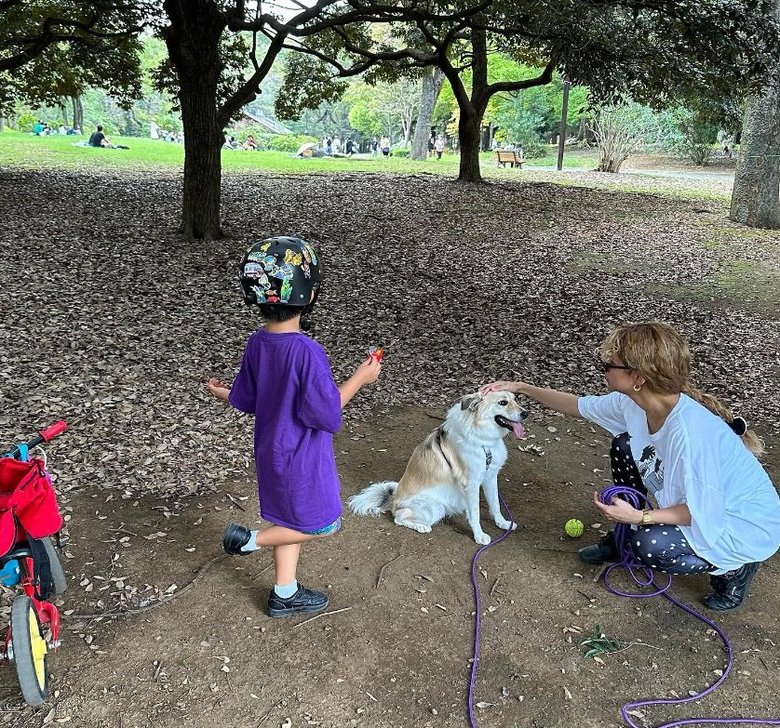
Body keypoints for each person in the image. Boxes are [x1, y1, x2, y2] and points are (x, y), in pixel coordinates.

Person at [482, 321, 780, 612]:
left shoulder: (690, 436)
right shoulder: (635, 402)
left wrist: (640, 515)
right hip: (700, 503)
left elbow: (701, 511)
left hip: (742, 524)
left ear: (638, 377)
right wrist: (521, 387)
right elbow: (578, 406)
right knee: (625, 445)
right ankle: (623, 537)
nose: (604, 370)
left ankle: (735, 569)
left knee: (651, 545)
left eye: (609, 365)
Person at [206, 236, 382, 618]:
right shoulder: (307, 352)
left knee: (287, 518)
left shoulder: (258, 342)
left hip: (271, 450)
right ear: (312, 293)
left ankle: (284, 594)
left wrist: (222, 393)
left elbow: (247, 398)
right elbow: (326, 413)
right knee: (325, 525)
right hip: (302, 456)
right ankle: (247, 540)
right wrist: (360, 378)